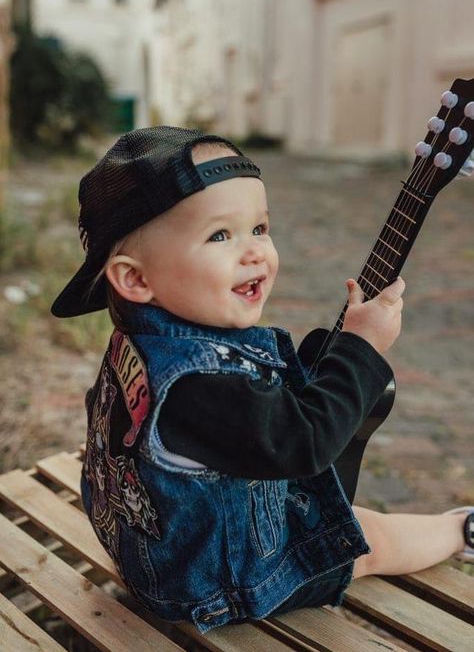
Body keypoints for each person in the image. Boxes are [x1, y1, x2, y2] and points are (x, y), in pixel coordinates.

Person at [51, 126, 474, 634]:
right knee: (369, 537)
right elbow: (304, 445)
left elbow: (258, 419)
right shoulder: (198, 382)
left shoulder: (146, 339)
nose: (254, 252)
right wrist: (361, 350)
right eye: (220, 236)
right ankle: (460, 531)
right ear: (137, 279)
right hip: (215, 584)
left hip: (155, 549)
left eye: (259, 228)